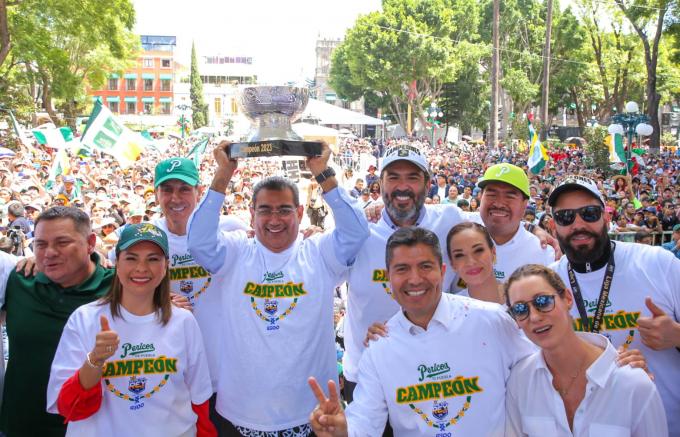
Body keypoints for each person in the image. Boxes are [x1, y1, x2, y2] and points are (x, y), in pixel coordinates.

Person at [187, 141, 368, 435]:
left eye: (284, 210)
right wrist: (223, 174)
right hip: (241, 413)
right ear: (251, 213)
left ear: (299, 212)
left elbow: (356, 232)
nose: (274, 220)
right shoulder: (236, 253)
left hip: (311, 413)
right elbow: (199, 244)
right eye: (265, 210)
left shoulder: (319, 254)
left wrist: (324, 174)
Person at [308, 227, 535, 436]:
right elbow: (365, 422)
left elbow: (537, 376)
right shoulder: (380, 347)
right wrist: (343, 429)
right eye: (402, 269)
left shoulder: (492, 320)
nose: (415, 279)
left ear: (442, 271)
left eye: (425, 267)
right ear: (388, 277)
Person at [46, 223, 215, 436]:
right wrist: (95, 360)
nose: (141, 268)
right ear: (117, 263)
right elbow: (68, 406)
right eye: (131, 258)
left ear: (166, 266)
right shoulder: (85, 319)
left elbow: (198, 401)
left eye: (153, 259)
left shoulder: (184, 321)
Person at [547, 175, 680, 435]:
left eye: (589, 213)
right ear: (553, 226)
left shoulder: (658, 264)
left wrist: (676, 335)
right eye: (566, 217)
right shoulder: (547, 283)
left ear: (606, 216)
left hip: (667, 424)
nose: (578, 224)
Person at [504, 264, 667, 436]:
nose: (535, 317)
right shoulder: (520, 381)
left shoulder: (633, 383)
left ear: (567, 298)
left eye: (543, 302)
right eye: (520, 309)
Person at [0, 207, 115, 437]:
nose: (49, 252)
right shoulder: (18, 280)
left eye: (62, 242)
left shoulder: (117, 286)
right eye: (41, 244)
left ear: (90, 242)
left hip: (94, 426)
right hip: (22, 426)